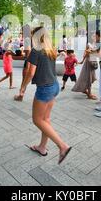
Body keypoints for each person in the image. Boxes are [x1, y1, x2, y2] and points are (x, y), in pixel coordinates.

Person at [18, 26, 72, 163]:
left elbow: (30, 72)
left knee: (37, 120)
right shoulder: (50, 49)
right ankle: (42, 147)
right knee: (45, 120)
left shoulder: (36, 50)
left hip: (45, 89)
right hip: (54, 86)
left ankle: (63, 146)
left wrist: (22, 88)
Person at [72, 30, 100, 100]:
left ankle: (86, 90)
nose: (93, 37)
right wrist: (82, 60)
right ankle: (89, 94)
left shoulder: (97, 44)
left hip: (93, 62)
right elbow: (85, 53)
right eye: (93, 35)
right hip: (89, 62)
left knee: (91, 77)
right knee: (88, 78)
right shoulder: (89, 44)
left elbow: (98, 54)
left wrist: (91, 52)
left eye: (94, 35)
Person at [14, 24, 32, 101]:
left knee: (24, 80)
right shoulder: (32, 38)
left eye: (22, 31)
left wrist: (27, 66)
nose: (21, 32)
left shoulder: (27, 39)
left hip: (29, 61)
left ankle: (20, 95)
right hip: (35, 61)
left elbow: (28, 53)